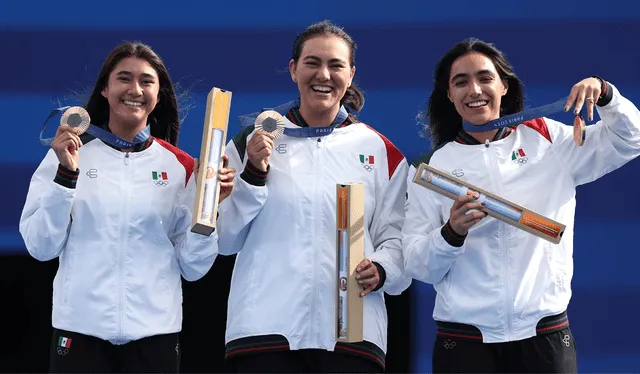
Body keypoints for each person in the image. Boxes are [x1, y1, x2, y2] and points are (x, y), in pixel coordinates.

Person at [402, 37, 640, 373]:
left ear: (504, 86)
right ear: (449, 95)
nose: (474, 90)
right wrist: (451, 233)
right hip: (465, 343)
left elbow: (631, 139)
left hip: (544, 336)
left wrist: (606, 94)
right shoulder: (431, 168)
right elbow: (417, 265)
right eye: (461, 82)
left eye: (485, 78)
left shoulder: (549, 140)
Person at [19, 42, 236, 373]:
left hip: (155, 336)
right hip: (80, 331)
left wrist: (209, 212)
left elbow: (193, 266)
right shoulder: (68, 154)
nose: (135, 89)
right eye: (124, 78)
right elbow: (40, 247)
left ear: (158, 95)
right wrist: (65, 176)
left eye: (147, 81)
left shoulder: (181, 167)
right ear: (105, 89)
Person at [216, 20, 411, 373]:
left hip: (353, 335)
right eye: (312, 62)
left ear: (351, 74)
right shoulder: (252, 141)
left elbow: (397, 239)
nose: (324, 74)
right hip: (264, 329)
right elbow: (225, 239)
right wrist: (254, 174)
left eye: (336, 65)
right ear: (294, 70)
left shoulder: (382, 152)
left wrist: (382, 268)